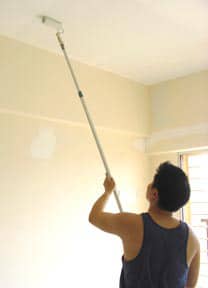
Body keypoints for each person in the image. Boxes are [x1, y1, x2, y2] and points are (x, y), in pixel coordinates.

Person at [89, 162, 200, 288]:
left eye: (152, 181)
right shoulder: (192, 239)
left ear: (154, 194)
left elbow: (94, 217)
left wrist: (107, 192)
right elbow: (190, 286)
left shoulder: (132, 224)